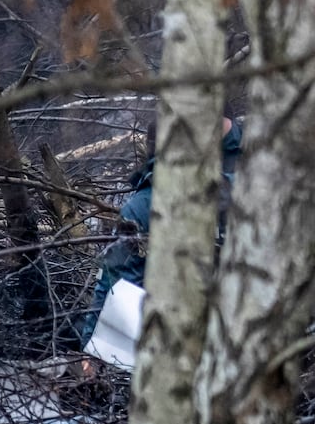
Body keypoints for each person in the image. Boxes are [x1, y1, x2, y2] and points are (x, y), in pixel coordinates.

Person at [77, 115, 243, 341]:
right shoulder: (241, 190)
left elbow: (115, 287)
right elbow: (116, 284)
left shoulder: (142, 207)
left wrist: (94, 345)